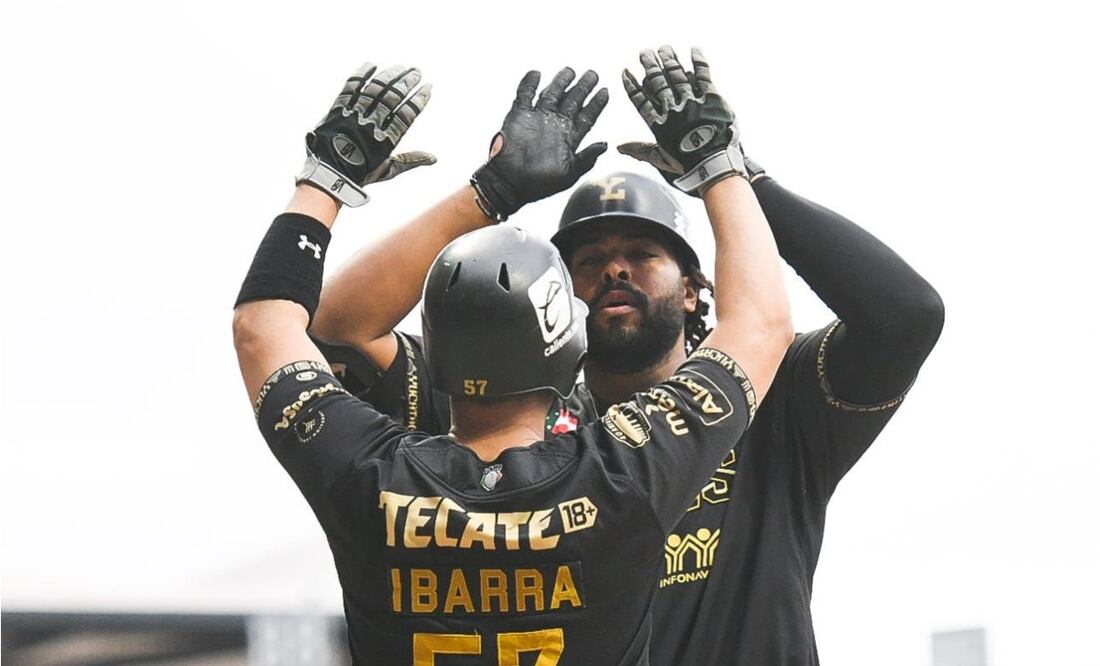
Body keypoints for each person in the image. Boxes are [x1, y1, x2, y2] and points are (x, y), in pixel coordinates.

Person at [312, 47, 945, 664]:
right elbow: (340, 330)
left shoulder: (776, 396)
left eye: (643, 254)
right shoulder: (502, 408)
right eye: (587, 261)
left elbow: (905, 316)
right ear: (555, 299)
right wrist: (490, 191)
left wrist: (742, 178)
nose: (614, 268)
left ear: (699, 291)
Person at [233, 59, 792, 664]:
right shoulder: (624, 476)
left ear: (434, 356)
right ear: (567, 350)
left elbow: (264, 326)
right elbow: (761, 323)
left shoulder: (368, 474)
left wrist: (326, 177)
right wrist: (720, 166)